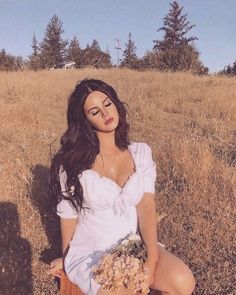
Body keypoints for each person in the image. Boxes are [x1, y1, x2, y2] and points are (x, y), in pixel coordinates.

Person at [49, 79, 196, 295]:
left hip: (132, 244)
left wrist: (151, 259)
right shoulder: (71, 164)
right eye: (94, 111)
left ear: (116, 103)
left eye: (107, 104)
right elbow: (68, 217)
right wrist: (67, 257)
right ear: (86, 120)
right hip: (91, 251)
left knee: (183, 281)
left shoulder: (140, 153)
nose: (105, 113)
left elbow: (146, 207)